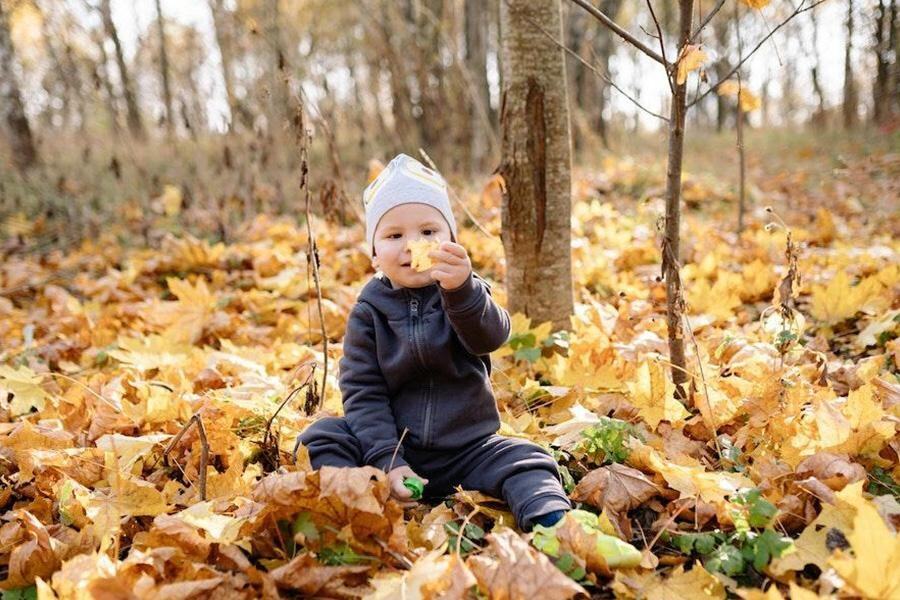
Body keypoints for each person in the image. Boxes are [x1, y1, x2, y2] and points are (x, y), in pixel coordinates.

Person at [295, 153, 570, 531]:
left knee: (526, 458)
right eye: (394, 235)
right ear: (374, 252)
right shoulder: (368, 311)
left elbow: (490, 336)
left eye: (428, 232)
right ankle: (349, 511)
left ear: (451, 241)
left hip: (468, 450)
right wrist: (388, 459)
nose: (412, 245)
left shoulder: (465, 293)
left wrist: (462, 292)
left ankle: (551, 522)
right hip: (393, 449)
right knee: (322, 436)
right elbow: (363, 392)